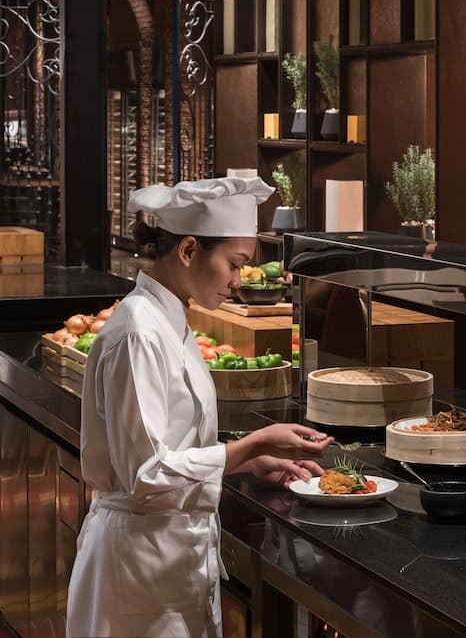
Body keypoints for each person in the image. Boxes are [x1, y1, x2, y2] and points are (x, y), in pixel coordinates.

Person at [66, 177, 333, 637]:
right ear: (189, 250)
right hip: (136, 573)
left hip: (169, 561)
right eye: (235, 264)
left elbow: (171, 448)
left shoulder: (171, 319)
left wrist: (249, 462)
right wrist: (250, 445)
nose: (238, 281)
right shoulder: (139, 332)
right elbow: (145, 474)